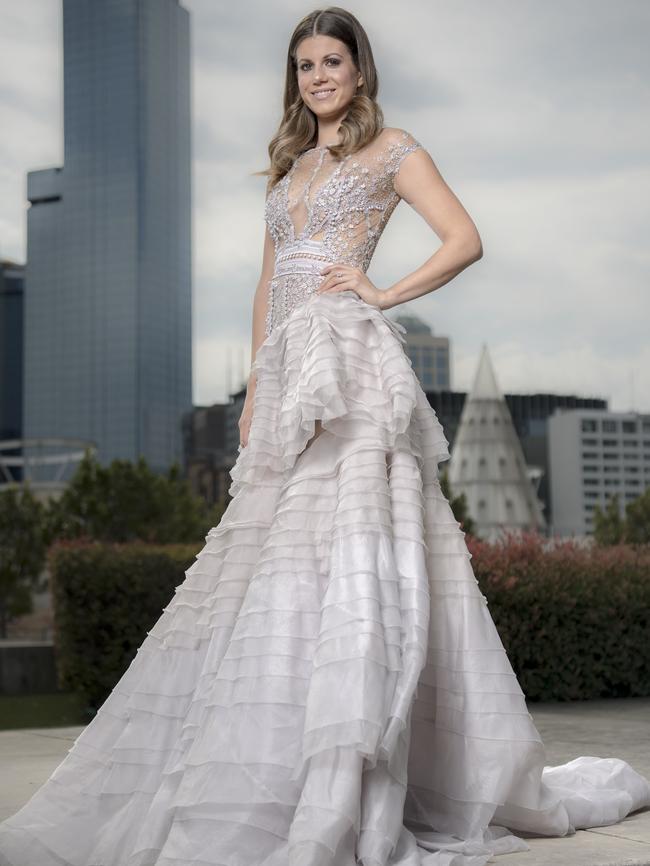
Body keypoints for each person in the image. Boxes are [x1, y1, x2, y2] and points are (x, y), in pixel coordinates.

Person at [1, 6, 648, 866]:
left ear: (359, 69)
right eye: (304, 64)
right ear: (295, 78)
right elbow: (269, 286)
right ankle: (276, 753)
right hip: (289, 372)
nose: (317, 76)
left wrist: (383, 293)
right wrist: (258, 386)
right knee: (277, 560)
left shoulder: (394, 150)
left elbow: (465, 239)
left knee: (352, 549)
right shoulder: (289, 168)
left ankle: (353, 769)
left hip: (350, 360)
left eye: (331, 60)